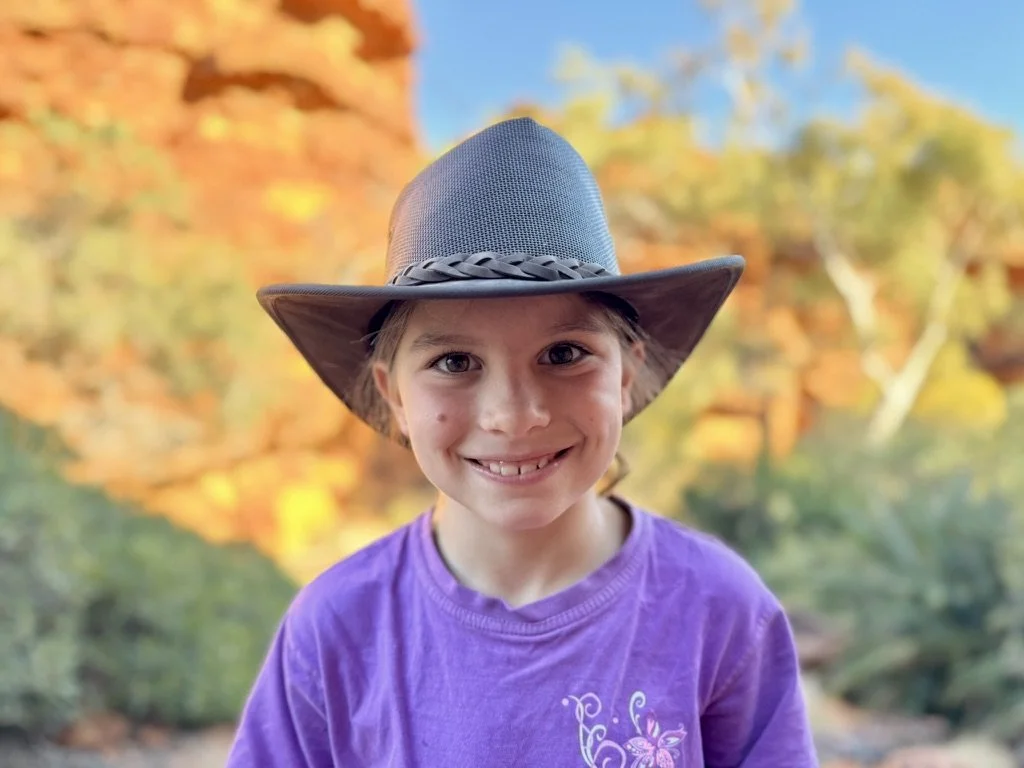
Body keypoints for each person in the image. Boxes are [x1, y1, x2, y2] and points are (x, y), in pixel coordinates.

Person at [226, 117, 818, 766]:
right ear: (394, 394)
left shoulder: (719, 610)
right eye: (454, 363)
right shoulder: (335, 630)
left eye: (564, 353)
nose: (514, 415)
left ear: (625, 375)